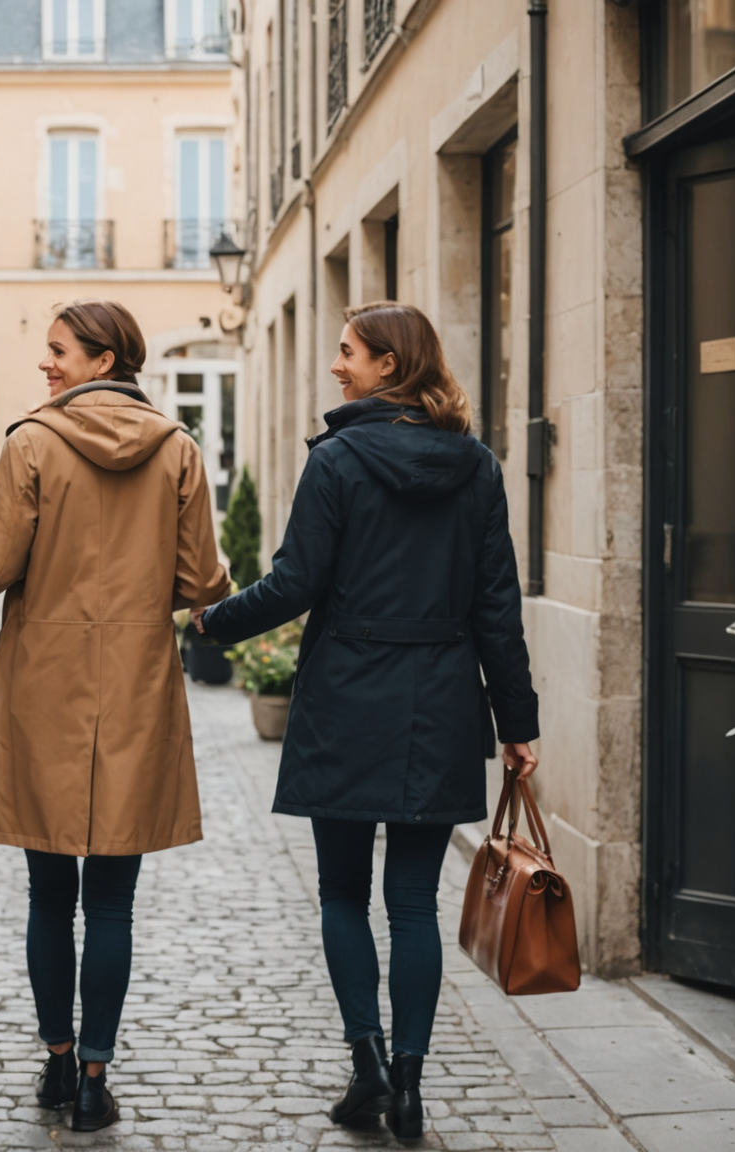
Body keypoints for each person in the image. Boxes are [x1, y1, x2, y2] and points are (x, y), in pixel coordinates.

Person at [194, 301, 538, 1141]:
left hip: (348, 697)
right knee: (414, 900)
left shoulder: (337, 459)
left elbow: (294, 583)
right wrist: (516, 723)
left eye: (348, 352)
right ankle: (410, 1087)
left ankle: (370, 1065)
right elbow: (497, 607)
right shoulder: (478, 466)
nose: (336, 365)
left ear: (391, 364)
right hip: (441, 699)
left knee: (344, 891)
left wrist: (211, 621)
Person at [0, 299, 230, 1132]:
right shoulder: (178, 450)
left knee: (48, 894)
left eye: (59, 351)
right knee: (112, 902)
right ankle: (97, 1080)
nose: (47, 363)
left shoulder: (31, 444)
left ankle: (58, 1062)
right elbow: (203, 582)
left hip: (43, 685)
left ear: (104, 361)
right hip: (137, 684)